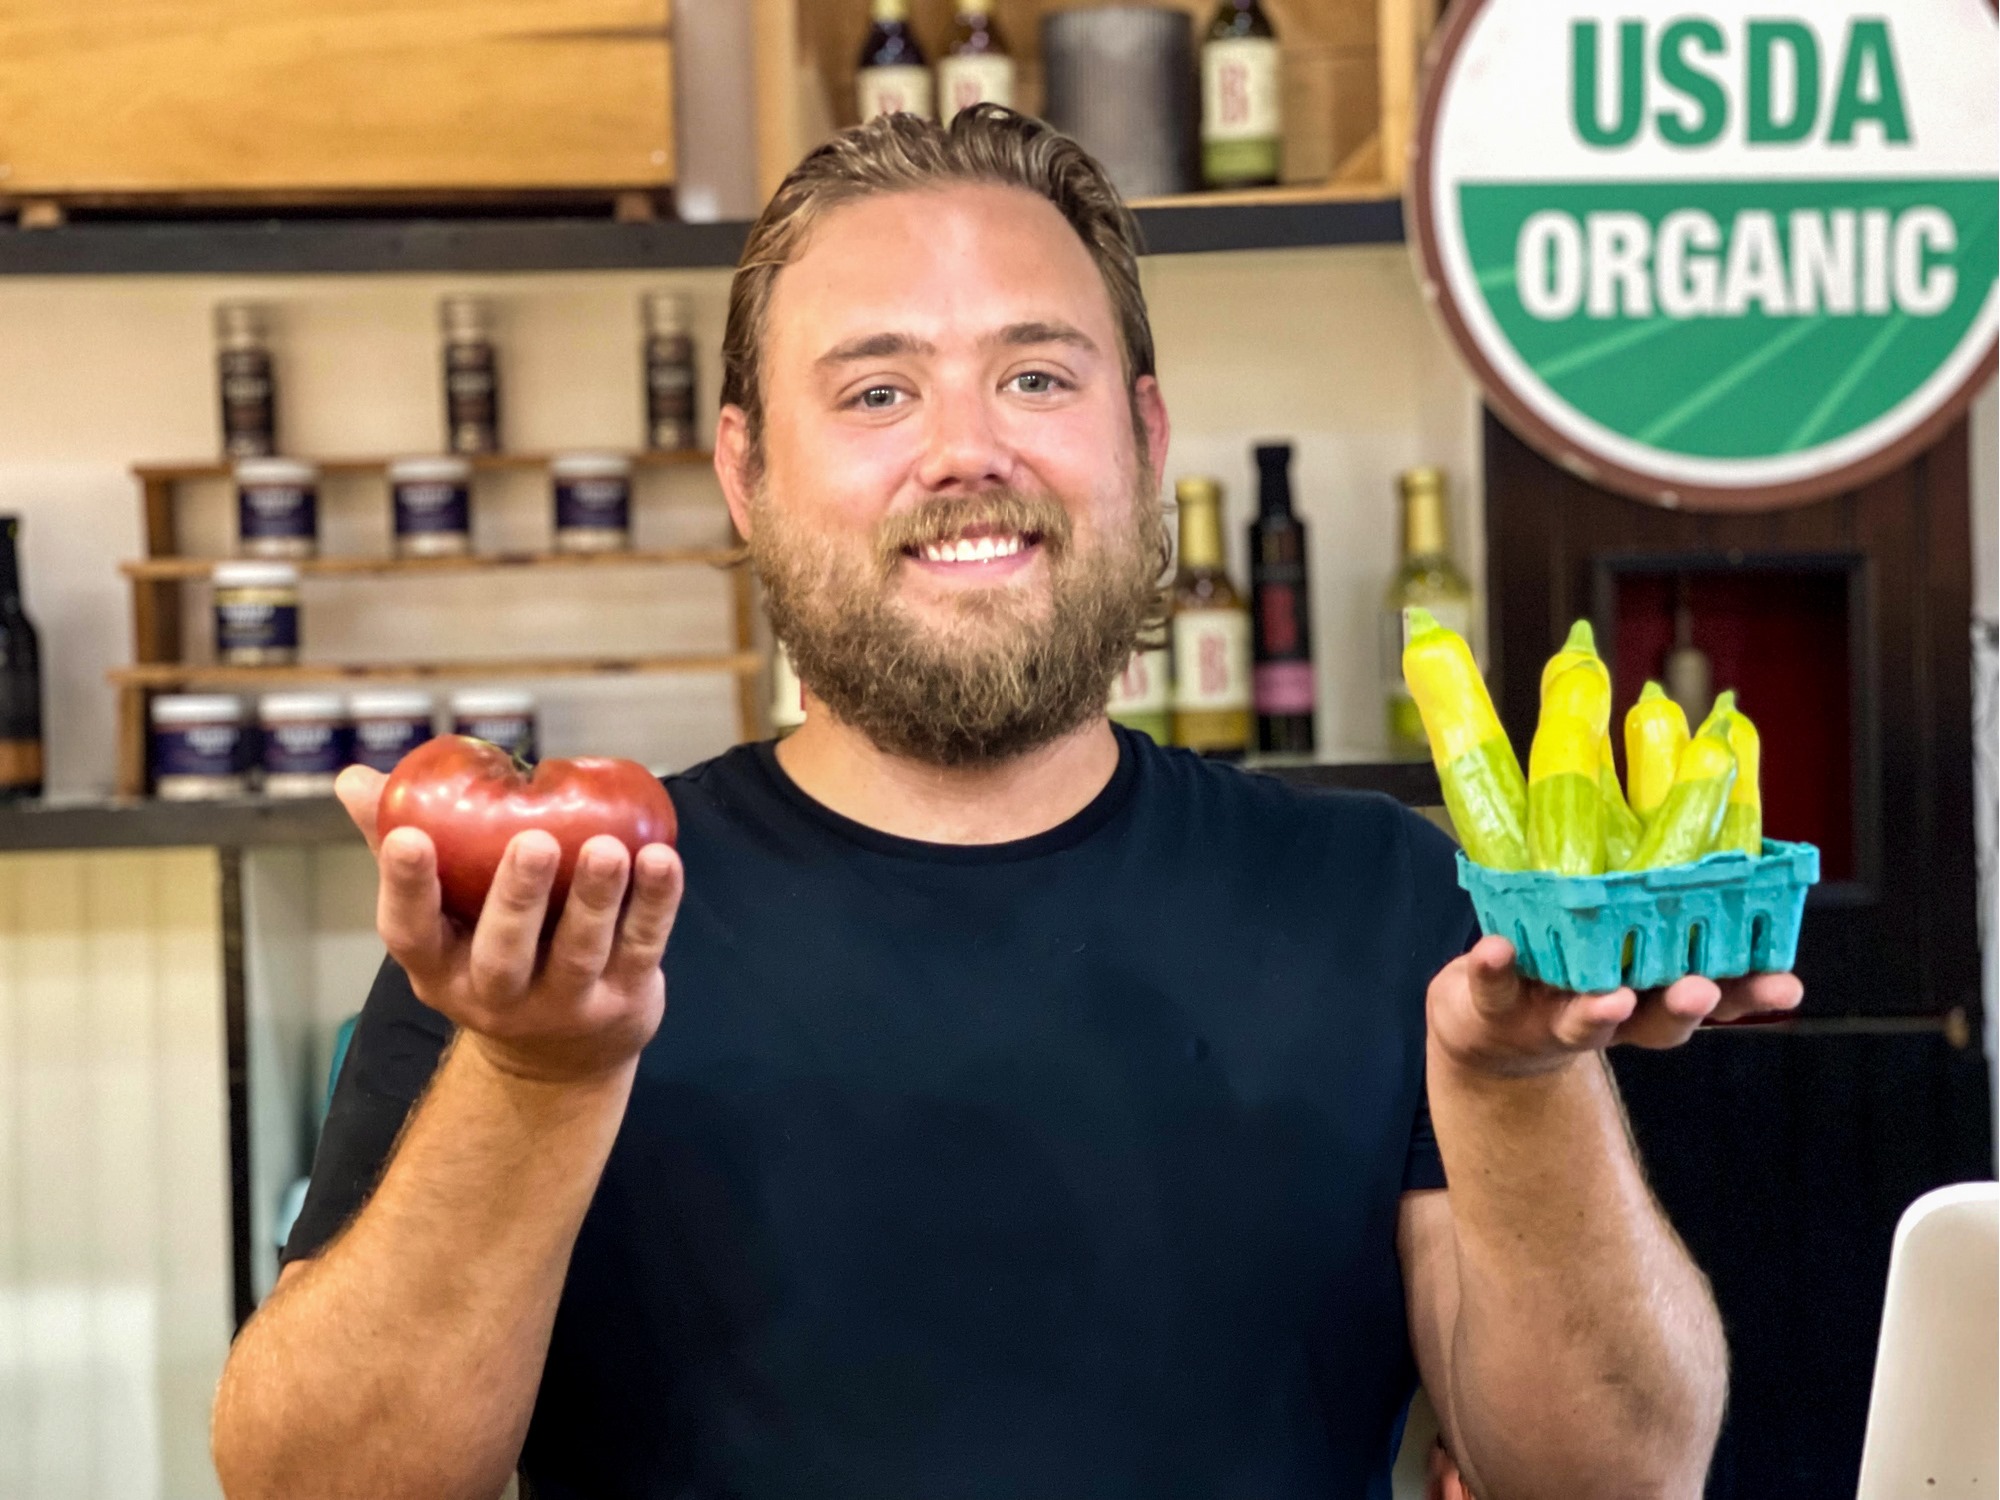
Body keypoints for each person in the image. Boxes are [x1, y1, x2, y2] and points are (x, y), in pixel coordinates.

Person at [209, 106, 1802, 1500]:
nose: (968, 452)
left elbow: (1619, 1474)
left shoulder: (1395, 904)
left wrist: (1518, 1097)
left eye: (1037, 375)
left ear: (1146, 439)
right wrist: (538, 1083)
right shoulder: (568, 930)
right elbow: (314, 1483)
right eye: (878, 393)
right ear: (747, 476)